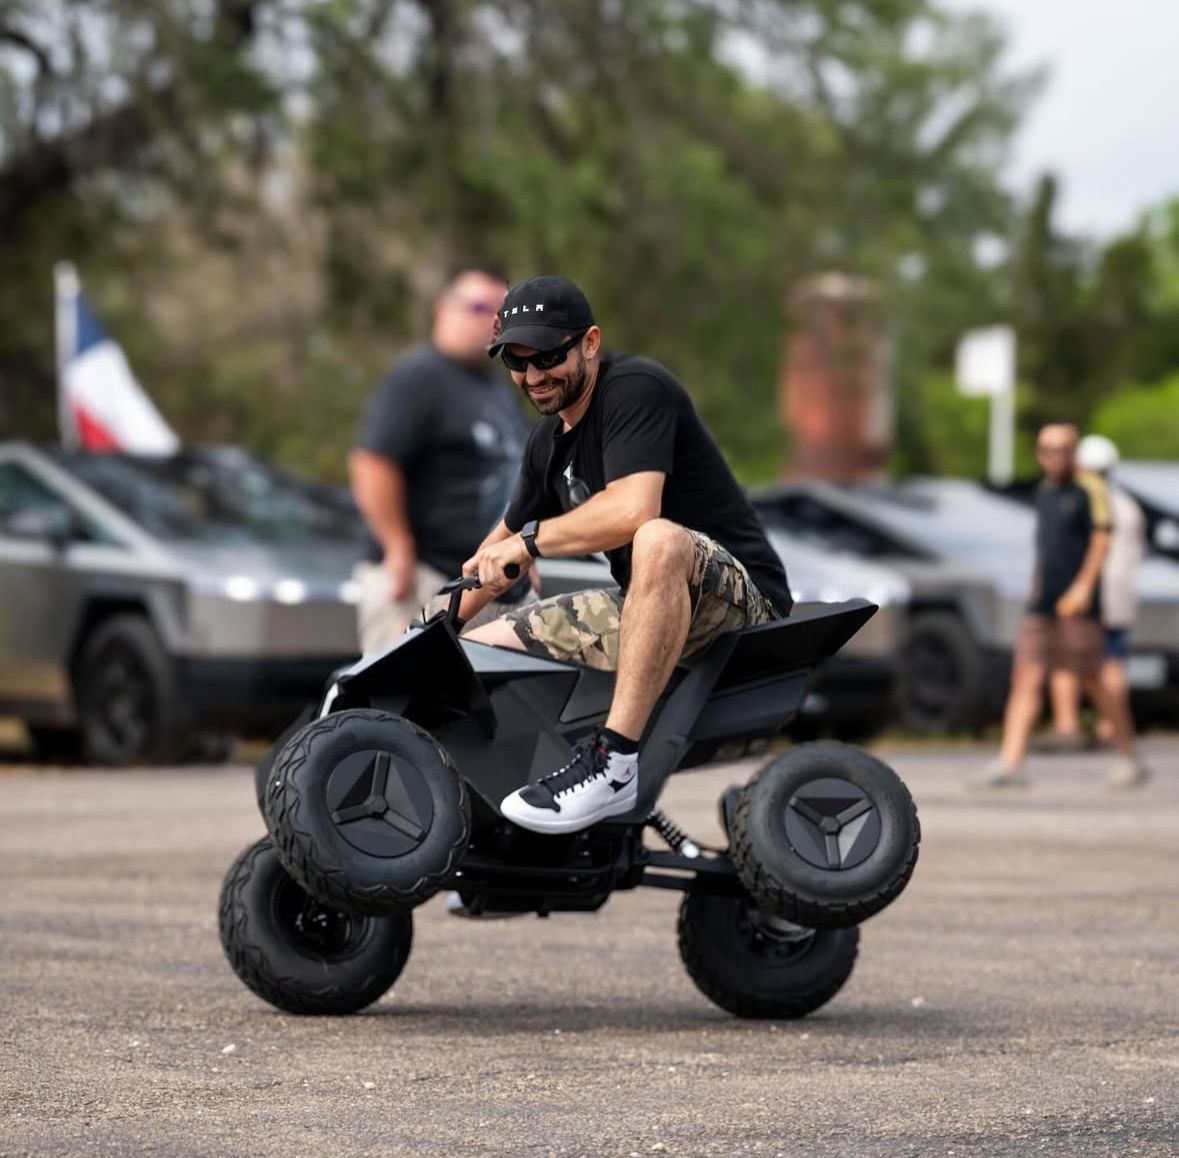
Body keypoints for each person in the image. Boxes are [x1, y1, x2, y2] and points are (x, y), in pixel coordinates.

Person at [454, 274, 793, 834]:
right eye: (517, 362)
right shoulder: (546, 443)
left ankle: (613, 766)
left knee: (657, 537)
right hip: (647, 601)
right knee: (477, 655)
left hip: (736, 598)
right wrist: (420, 639)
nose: (534, 376)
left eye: (547, 357)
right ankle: (504, 836)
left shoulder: (635, 389)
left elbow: (635, 510)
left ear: (589, 342)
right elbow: (491, 558)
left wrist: (532, 544)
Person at [349, 265, 531, 653]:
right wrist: (397, 548)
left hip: (485, 586)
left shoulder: (498, 389)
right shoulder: (419, 378)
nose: (492, 322)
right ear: (443, 310)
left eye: (502, 313)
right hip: (423, 579)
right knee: (401, 703)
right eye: (479, 307)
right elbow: (373, 464)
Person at [972, 423, 1148, 789]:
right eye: (1047, 450)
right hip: (1043, 603)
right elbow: (1046, 550)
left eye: (1062, 449)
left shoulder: (1090, 490)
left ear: (1075, 451)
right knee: (1027, 678)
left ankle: (1130, 755)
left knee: (1094, 679)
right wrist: (1036, 593)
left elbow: (1101, 542)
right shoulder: (1046, 491)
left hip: (1079, 605)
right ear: (1038, 454)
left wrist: (1084, 588)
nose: (1055, 457)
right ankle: (1011, 761)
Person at [1042, 434, 1149, 786]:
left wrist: (1080, 588)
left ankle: (1071, 724)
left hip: (1092, 597)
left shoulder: (1087, 498)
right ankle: (1109, 728)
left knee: (1083, 667)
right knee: (1112, 663)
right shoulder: (1129, 504)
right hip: (1123, 596)